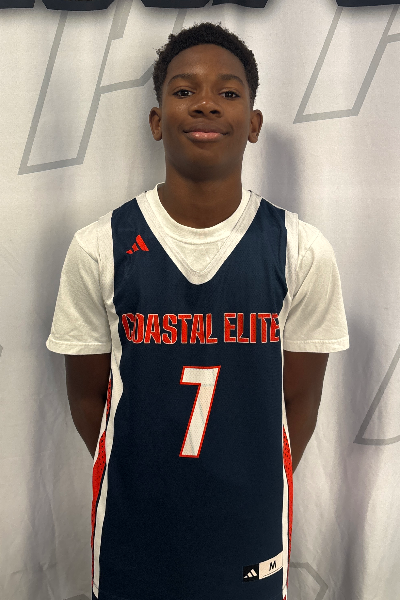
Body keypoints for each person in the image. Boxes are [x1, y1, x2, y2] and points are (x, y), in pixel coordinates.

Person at [46, 21, 349, 600]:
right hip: (135, 524)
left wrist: (243, 480)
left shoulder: (300, 248)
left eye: (228, 92)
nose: (206, 103)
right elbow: (88, 399)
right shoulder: (99, 245)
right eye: (184, 90)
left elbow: (299, 402)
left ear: (253, 123)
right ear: (156, 121)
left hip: (250, 524)